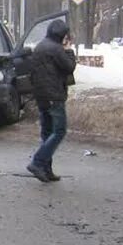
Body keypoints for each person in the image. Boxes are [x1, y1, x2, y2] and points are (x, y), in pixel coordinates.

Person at [27, 19, 77, 183]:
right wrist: (69, 50)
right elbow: (69, 67)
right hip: (54, 95)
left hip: (41, 95)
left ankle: (46, 170)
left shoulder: (40, 46)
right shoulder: (56, 49)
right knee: (59, 131)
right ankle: (37, 162)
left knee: (47, 132)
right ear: (62, 35)